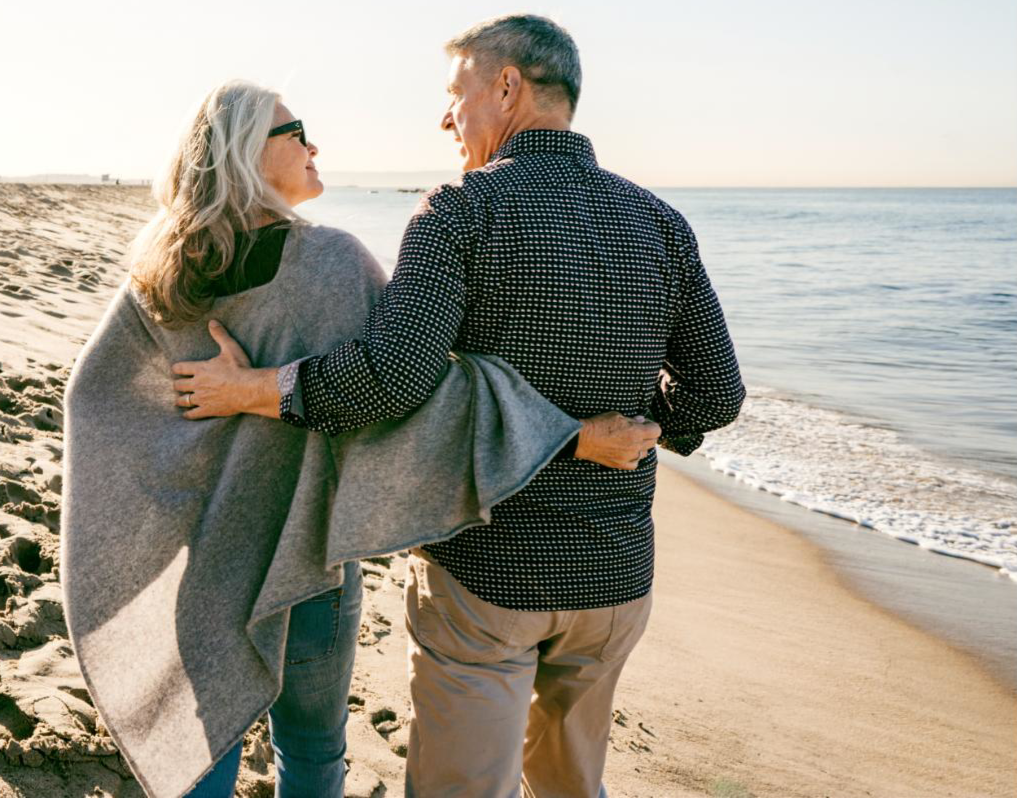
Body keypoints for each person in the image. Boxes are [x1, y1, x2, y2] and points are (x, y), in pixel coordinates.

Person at [172, 16, 745, 798]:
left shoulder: (459, 211)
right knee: (572, 786)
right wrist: (645, 427)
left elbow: (391, 380)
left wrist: (257, 389)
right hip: (614, 572)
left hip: (488, 573)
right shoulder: (659, 223)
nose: (447, 117)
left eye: (455, 93)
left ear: (506, 86)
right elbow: (716, 395)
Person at [61, 80, 660, 798]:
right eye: (295, 131)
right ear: (246, 153)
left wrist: (182, 475)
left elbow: (94, 402)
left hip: (205, 554)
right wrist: (570, 437)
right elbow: (419, 394)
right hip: (307, 552)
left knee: (202, 741)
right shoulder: (331, 262)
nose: (313, 145)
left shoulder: (161, 271)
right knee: (312, 750)